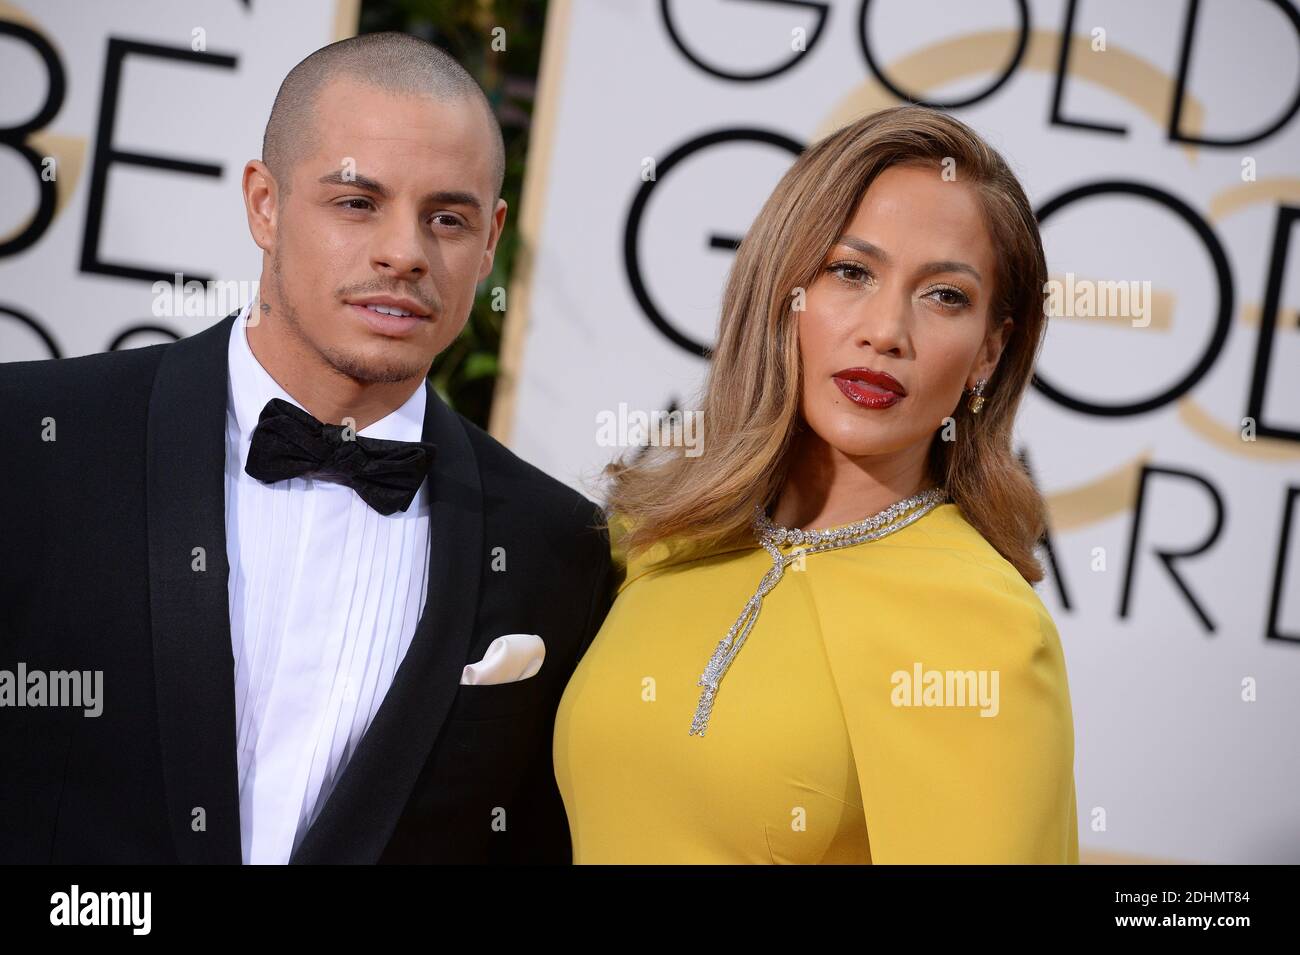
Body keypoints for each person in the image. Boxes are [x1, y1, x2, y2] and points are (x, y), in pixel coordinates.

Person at [0, 32, 612, 864]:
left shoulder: (558, 551)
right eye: (357, 202)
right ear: (265, 202)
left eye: (447, 217)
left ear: (491, 237)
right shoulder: (32, 442)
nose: (404, 252)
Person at [554, 104, 1078, 864]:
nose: (886, 330)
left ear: (989, 354)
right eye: (851, 271)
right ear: (783, 289)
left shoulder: (987, 629)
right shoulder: (663, 533)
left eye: (944, 295)